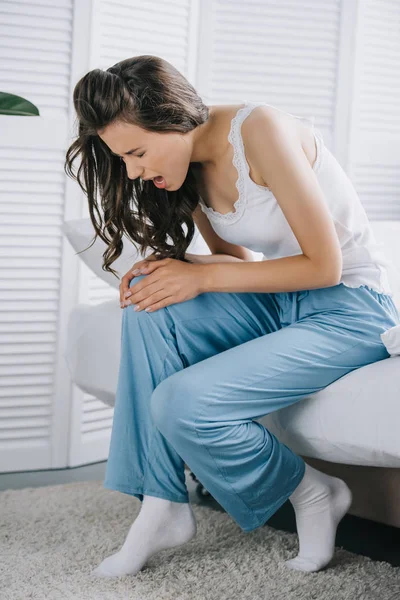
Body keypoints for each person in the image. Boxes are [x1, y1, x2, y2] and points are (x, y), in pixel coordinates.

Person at [65, 55, 400, 578]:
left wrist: (201, 277)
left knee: (182, 403)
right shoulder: (184, 171)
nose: (133, 170)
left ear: (172, 119)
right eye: (123, 158)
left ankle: (313, 492)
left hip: (350, 309)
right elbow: (239, 265)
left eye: (136, 152)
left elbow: (324, 265)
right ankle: (162, 502)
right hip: (281, 303)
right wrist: (183, 266)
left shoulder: (259, 129)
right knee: (150, 306)